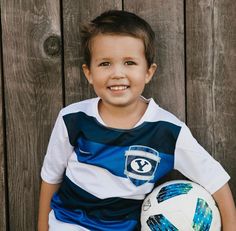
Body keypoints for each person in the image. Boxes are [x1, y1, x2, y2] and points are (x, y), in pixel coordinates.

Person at [38, 10, 236, 231]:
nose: (117, 73)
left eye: (130, 62)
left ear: (148, 72)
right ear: (89, 72)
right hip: (69, 223)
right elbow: (50, 178)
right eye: (105, 64)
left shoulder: (167, 131)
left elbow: (216, 181)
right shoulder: (72, 119)